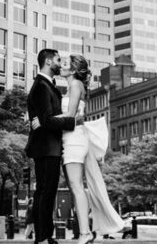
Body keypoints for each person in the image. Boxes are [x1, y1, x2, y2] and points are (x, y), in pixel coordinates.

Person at [32, 54, 125, 244]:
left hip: (74, 140)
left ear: (73, 70)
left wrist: (43, 121)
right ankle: (84, 232)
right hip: (68, 139)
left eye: (64, 64)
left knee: (76, 187)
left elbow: (71, 116)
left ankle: (85, 233)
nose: (61, 67)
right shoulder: (71, 87)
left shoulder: (75, 85)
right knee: (76, 188)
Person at [26, 49, 80, 244]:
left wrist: (45, 120)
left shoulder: (46, 85)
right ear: (49, 62)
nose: (60, 63)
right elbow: (47, 120)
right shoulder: (41, 86)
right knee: (45, 191)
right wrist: (70, 121)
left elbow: (45, 119)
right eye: (58, 60)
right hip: (46, 146)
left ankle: (43, 236)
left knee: (45, 191)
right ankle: (43, 237)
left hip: (49, 146)